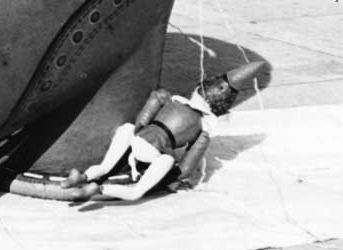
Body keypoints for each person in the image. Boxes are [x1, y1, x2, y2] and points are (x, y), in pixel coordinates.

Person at [63, 61, 266, 201]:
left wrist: (141, 126)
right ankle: (98, 189)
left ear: (199, 89)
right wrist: (173, 178)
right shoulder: (202, 131)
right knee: (137, 191)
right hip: (154, 151)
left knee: (105, 165)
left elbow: (156, 98)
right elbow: (187, 165)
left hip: (136, 136)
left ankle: (81, 177)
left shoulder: (173, 100)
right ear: (218, 110)